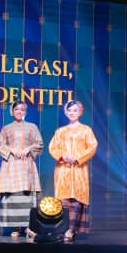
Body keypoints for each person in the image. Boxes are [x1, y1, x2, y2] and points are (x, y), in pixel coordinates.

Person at [48, 99, 98, 243]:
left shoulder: (86, 130)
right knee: (63, 199)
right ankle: (62, 229)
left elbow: (92, 147)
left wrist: (77, 158)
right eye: (69, 110)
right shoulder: (60, 131)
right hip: (63, 169)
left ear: (80, 112)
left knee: (76, 199)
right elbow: (53, 147)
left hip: (79, 169)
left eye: (75, 110)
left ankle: (71, 230)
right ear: (65, 112)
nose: (72, 113)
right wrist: (62, 156)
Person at [0, 100, 44, 239]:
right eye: (17, 109)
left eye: (22, 109)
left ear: (25, 112)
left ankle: (28, 227)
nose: (19, 112)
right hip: (11, 165)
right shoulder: (6, 128)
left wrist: (28, 149)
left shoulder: (32, 127)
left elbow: (39, 143)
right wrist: (11, 150)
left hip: (26, 164)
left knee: (26, 195)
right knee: (12, 195)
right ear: (12, 111)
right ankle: (15, 227)